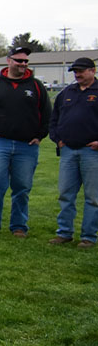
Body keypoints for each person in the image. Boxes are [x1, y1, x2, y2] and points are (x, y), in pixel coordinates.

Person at [0, 45, 51, 238]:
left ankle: (19, 226)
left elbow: (47, 113)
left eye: (25, 61)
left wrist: (40, 135)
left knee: (22, 187)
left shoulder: (36, 86)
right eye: (19, 61)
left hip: (27, 146)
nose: (23, 64)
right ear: (9, 61)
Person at [47, 57, 98, 249]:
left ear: (92, 71)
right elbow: (54, 119)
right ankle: (64, 233)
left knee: (93, 197)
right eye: (75, 71)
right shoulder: (66, 93)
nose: (77, 74)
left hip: (92, 152)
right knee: (66, 194)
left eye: (81, 71)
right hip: (68, 151)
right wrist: (57, 139)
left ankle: (88, 237)